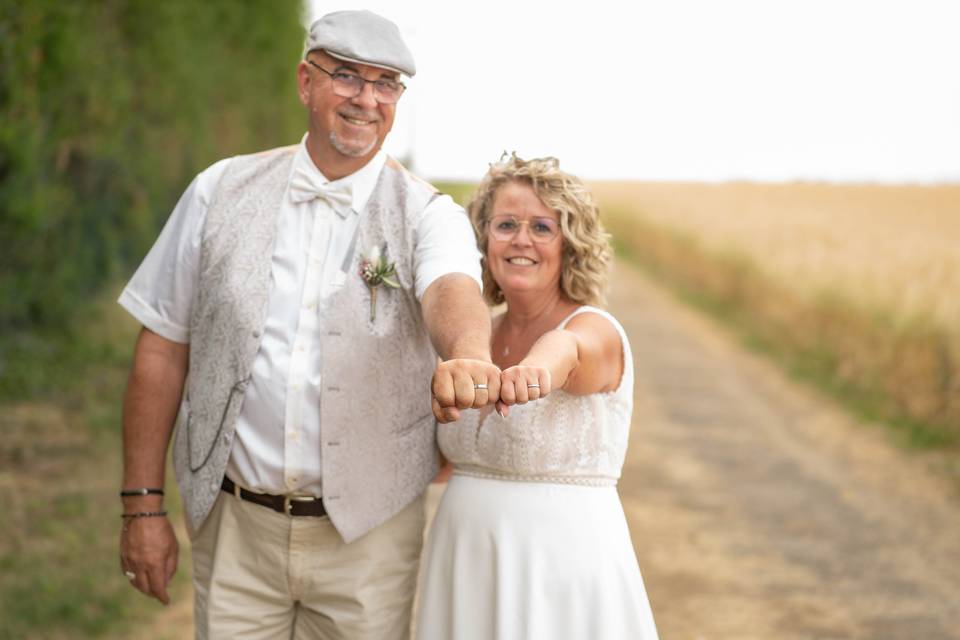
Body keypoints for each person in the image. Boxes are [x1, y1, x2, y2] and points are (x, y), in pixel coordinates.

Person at [117, 10, 499, 639]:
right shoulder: (219, 190)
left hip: (370, 538)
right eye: (347, 76)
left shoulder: (428, 214)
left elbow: (452, 289)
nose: (366, 100)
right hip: (237, 527)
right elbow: (161, 349)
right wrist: (141, 508)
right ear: (305, 82)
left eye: (386, 84)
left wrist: (467, 352)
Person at [417, 154, 660, 639]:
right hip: (464, 556)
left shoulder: (593, 329)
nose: (521, 240)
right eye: (506, 224)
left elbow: (567, 352)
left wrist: (534, 372)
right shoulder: (472, 336)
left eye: (542, 227)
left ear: (570, 244)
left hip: (560, 566)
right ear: (483, 240)